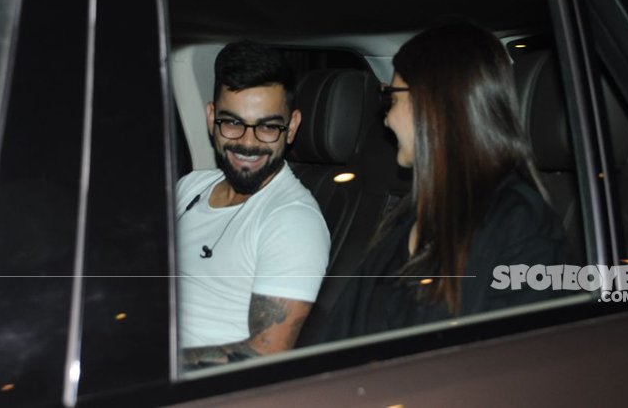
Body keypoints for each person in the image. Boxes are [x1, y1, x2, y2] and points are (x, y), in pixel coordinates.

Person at [320, 22, 567, 340]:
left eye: (391, 99)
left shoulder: (520, 225)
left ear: (431, 103)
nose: (386, 118)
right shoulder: (409, 217)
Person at [176, 41, 330, 368]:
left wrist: (149, 364)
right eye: (233, 122)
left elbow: (267, 353)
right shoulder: (189, 187)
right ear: (211, 118)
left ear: (292, 127)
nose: (248, 142)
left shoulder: (292, 220)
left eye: (268, 127)